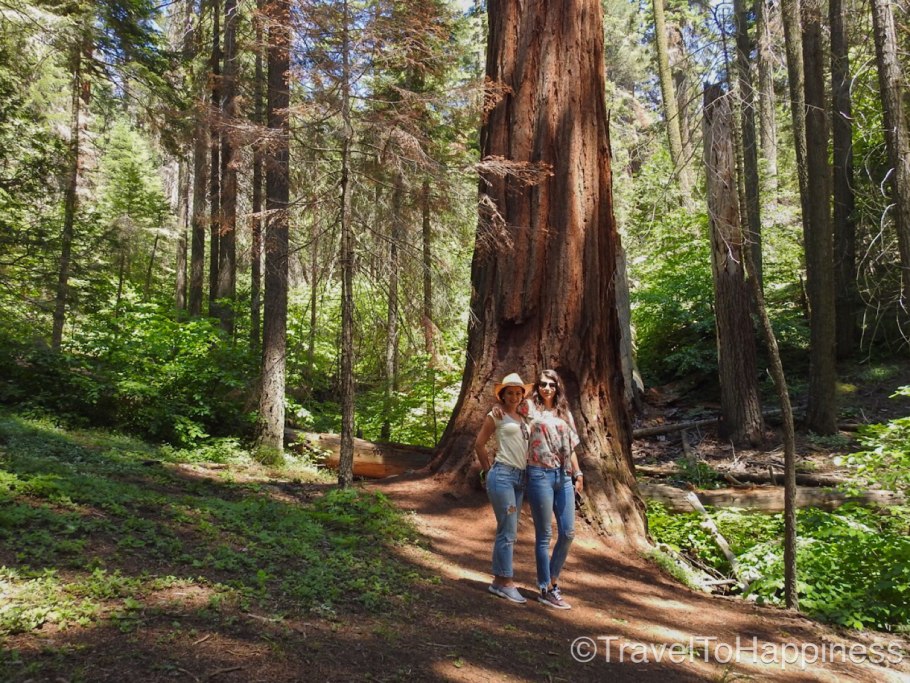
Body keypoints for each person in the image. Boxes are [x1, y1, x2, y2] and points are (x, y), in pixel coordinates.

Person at [523, 369, 583, 610]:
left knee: (568, 533)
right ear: (537, 387)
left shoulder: (564, 412)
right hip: (539, 473)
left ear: (558, 387)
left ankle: (553, 579)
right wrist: (497, 410)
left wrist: (578, 473)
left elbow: (573, 445)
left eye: (551, 384)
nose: (547, 388)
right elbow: (507, 405)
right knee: (544, 535)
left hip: (564, 475)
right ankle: (546, 587)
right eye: (542, 384)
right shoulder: (528, 408)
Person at [474, 372, 534, 604]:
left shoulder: (523, 418)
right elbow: (479, 444)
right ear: (502, 395)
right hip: (502, 475)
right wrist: (488, 470)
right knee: (508, 531)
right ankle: (505, 582)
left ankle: (499, 582)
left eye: (518, 392)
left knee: (508, 530)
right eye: (510, 392)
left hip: (520, 478)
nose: (515, 396)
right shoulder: (495, 415)